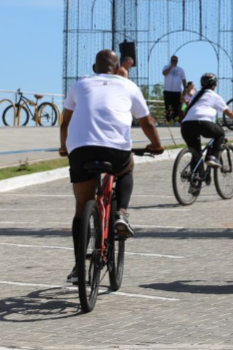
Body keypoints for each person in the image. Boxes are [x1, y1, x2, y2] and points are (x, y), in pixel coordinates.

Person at [60, 50, 165, 282]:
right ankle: (121, 213)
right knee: (126, 168)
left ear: (95, 68)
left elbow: (65, 122)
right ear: (118, 69)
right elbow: (146, 121)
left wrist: (64, 148)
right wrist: (156, 144)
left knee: (81, 207)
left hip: (81, 149)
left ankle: (79, 267)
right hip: (115, 150)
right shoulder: (128, 86)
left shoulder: (80, 84)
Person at [180, 73, 233, 173]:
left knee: (196, 153)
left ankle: (195, 181)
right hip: (203, 123)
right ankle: (213, 157)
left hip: (186, 126)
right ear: (214, 85)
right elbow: (228, 112)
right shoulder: (214, 96)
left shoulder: (196, 95)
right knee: (220, 133)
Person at [161, 55, 186, 124]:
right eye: (173, 60)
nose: (174, 62)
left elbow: (184, 79)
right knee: (167, 106)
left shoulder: (180, 70)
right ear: (170, 61)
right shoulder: (166, 67)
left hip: (177, 91)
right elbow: (164, 73)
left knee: (176, 106)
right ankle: (168, 119)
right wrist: (171, 67)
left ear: (177, 61)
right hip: (167, 90)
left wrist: (185, 88)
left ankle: (175, 119)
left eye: (175, 60)